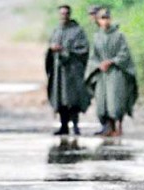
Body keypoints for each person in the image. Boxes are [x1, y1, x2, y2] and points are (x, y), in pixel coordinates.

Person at [85, 7, 138, 137]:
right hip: (102, 74)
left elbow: (124, 53)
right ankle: (108, 127)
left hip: (116, 72)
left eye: (107, 18)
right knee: (102, 102)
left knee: (116, 101)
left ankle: (118, 127)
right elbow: (93, 56)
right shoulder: (97, 37)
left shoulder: (119, 36)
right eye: (102, 18)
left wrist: (112, 61)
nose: (105, 21)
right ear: (98, 21)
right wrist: (99, 64)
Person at [45, 5, 90, 135]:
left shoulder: (77, 31)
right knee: (60, 100)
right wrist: (52, 49)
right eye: (61, 14)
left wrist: (65, 50)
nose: (63, 16)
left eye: (66, 14)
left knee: (73, 100)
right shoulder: (56, 30)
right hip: (59, 73)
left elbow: (83, 49)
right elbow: (50, 48)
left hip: (72, 72)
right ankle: (63, 126)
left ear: (69, 15)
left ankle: (75, 126)